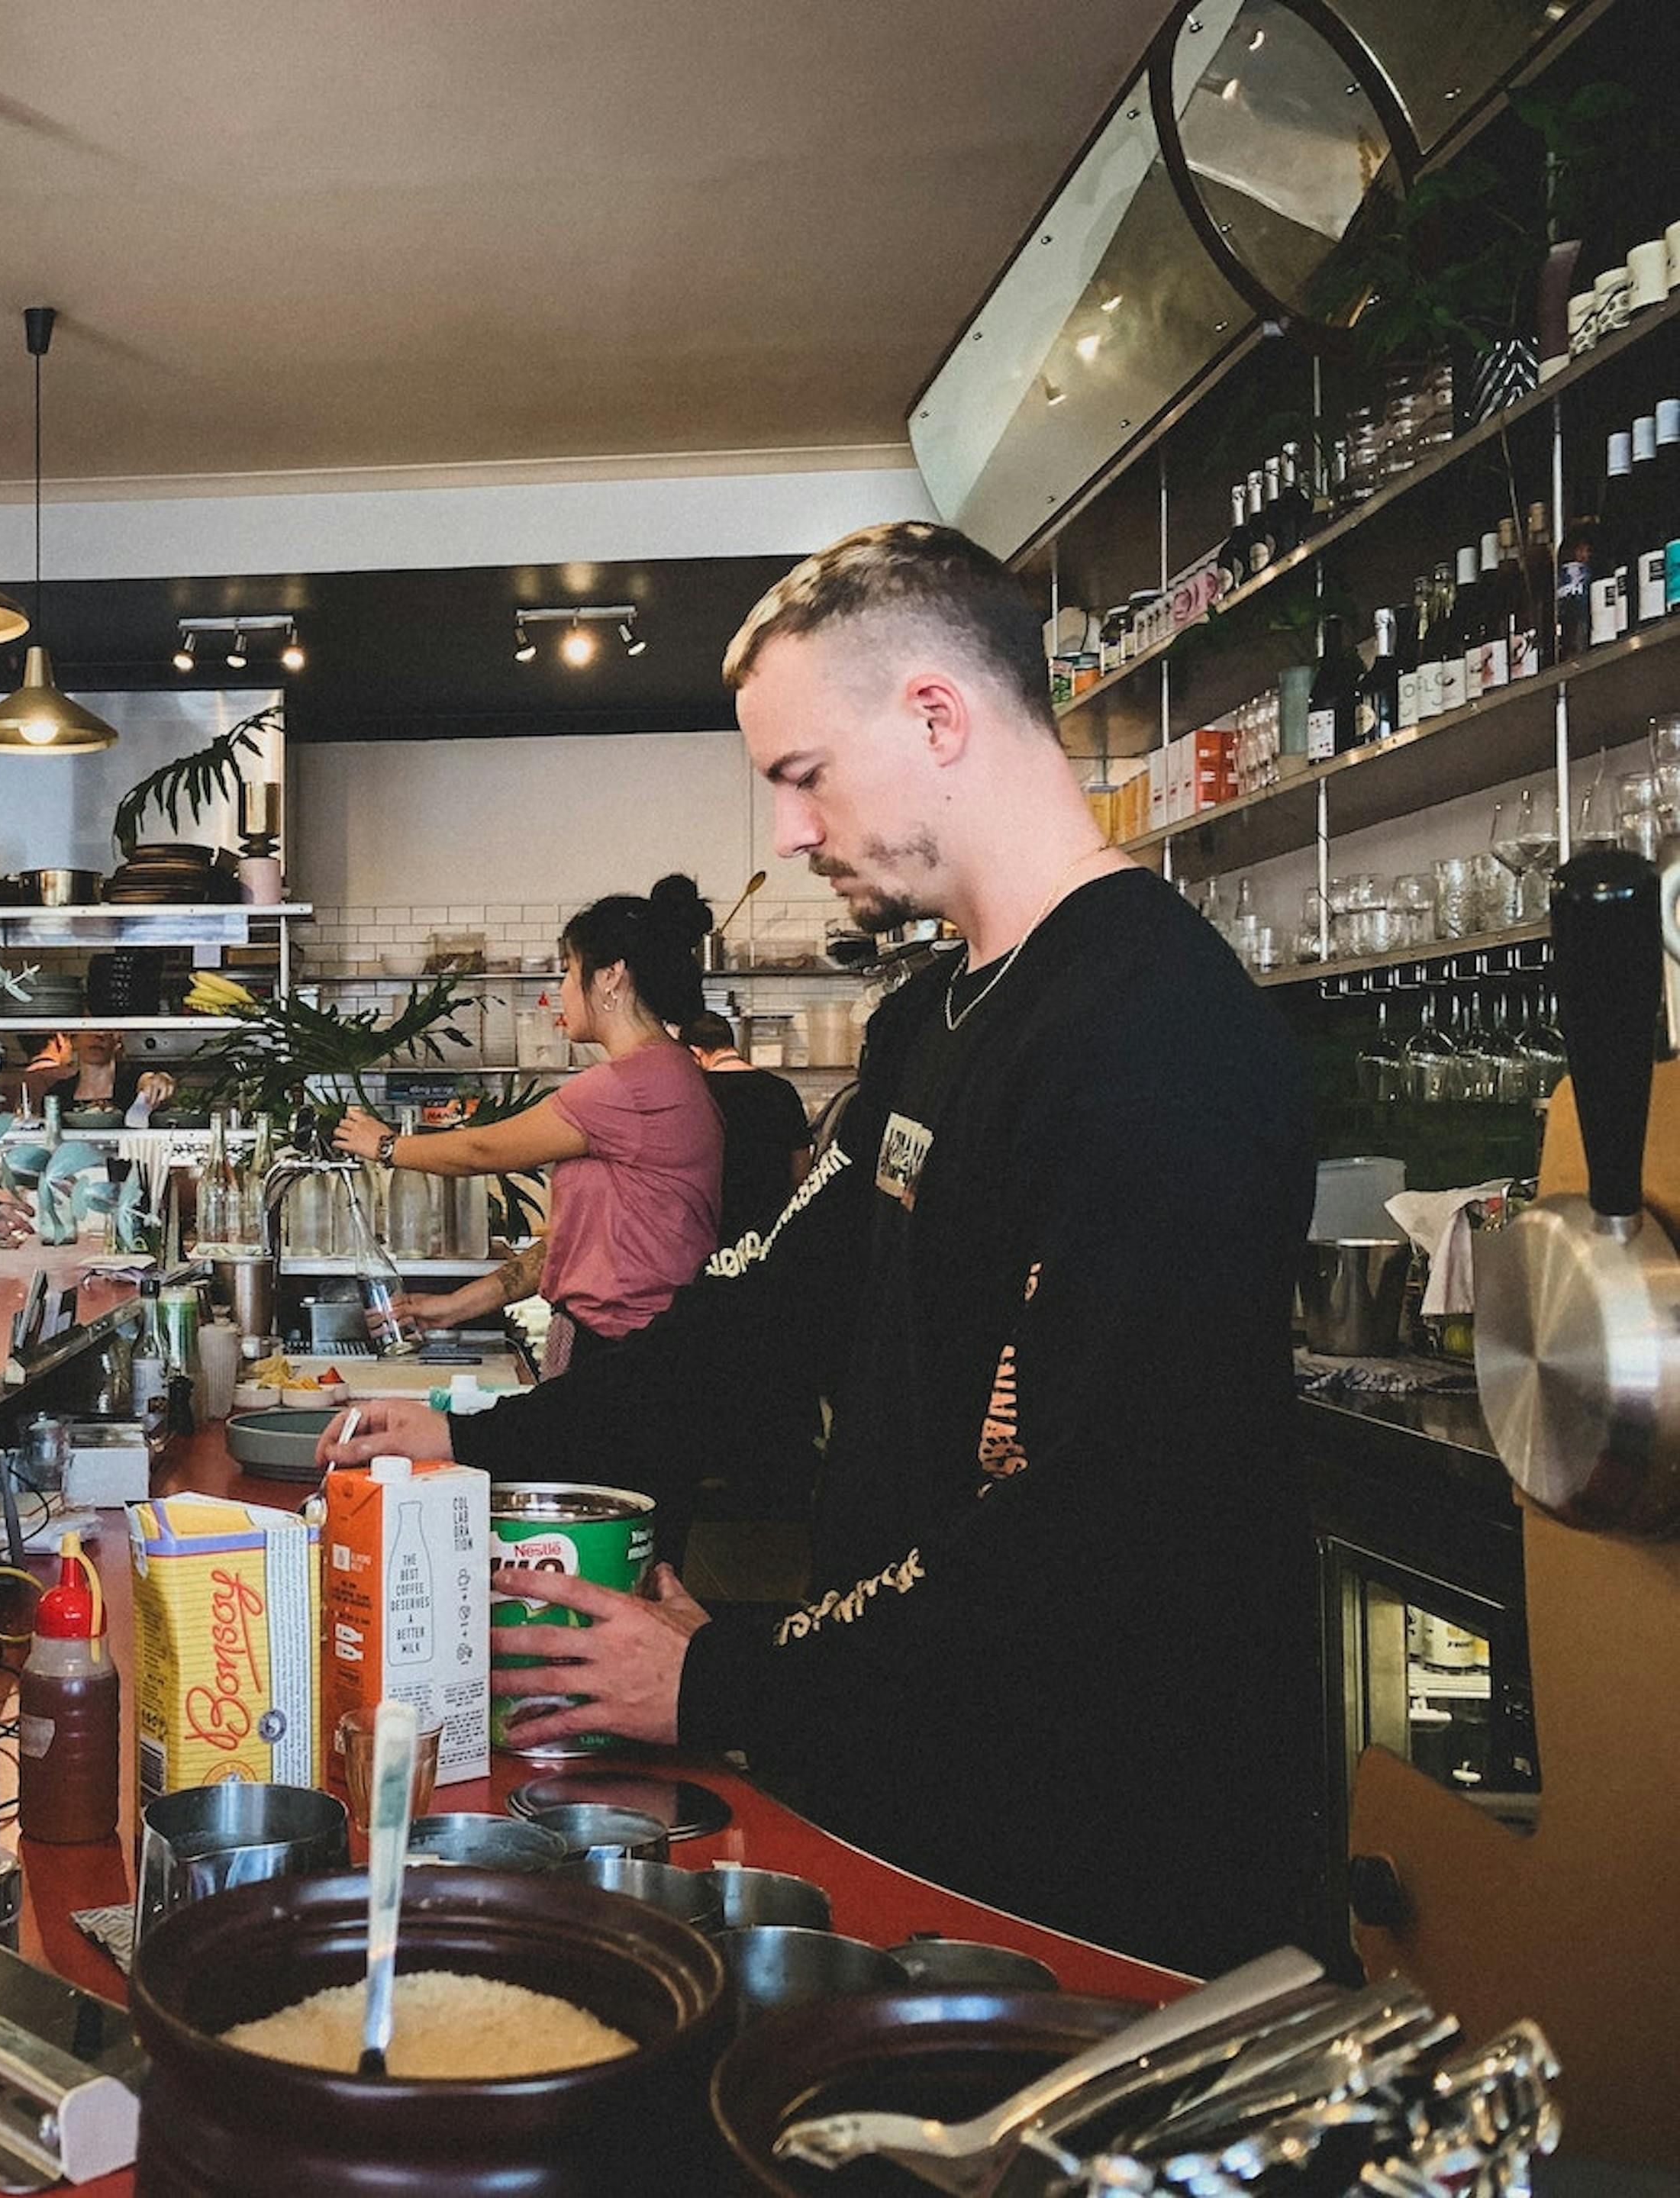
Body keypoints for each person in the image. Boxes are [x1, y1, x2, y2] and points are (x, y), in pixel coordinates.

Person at [324, 520, 1324, 1977]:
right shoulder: (932, 1023)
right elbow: (756, 1320)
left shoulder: (1158, 1035)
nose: (787, 834)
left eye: (800, 777)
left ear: (936, 717)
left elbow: (1092, 1530)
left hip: (1115, 1861)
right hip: (930, 1796)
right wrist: (475, 1436)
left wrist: (726, 1673)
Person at [335, 876, 724, 1375]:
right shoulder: (665, 1072)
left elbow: (482, 1151)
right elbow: (570, 1246)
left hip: (631, 1353)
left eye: (569, 971)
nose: (561, 989)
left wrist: (385, 1145)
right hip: (632, 1340)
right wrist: (455, 1306)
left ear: (610, 977)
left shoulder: (631, 1084)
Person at [687, 1009, 813, 1242]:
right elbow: (800, 1168)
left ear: (695, 1053)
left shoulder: (695, 1094)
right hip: (770, 1223)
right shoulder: (781, 1090)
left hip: (711, 1225)